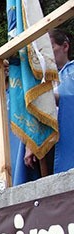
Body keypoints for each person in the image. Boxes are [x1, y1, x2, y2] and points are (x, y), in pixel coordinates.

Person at [50, 29, 74, 173]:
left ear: (65, 47)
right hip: (49, 141)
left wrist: (57, 99)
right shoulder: (44, 80)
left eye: (50, 47)